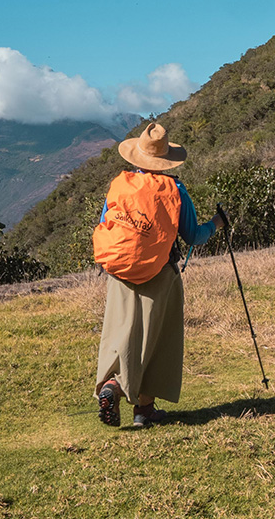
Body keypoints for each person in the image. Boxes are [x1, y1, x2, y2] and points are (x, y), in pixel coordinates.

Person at [92, 122, 223, 428]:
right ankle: (127, 394)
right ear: (165, 161)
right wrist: (217, 222)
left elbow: (105, 224)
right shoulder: (174, 190)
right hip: (159, 274)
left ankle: (128, 397)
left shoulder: (119, 185)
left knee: (121, 333)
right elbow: (193, 236)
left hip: (119, 270)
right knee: (156, 338)